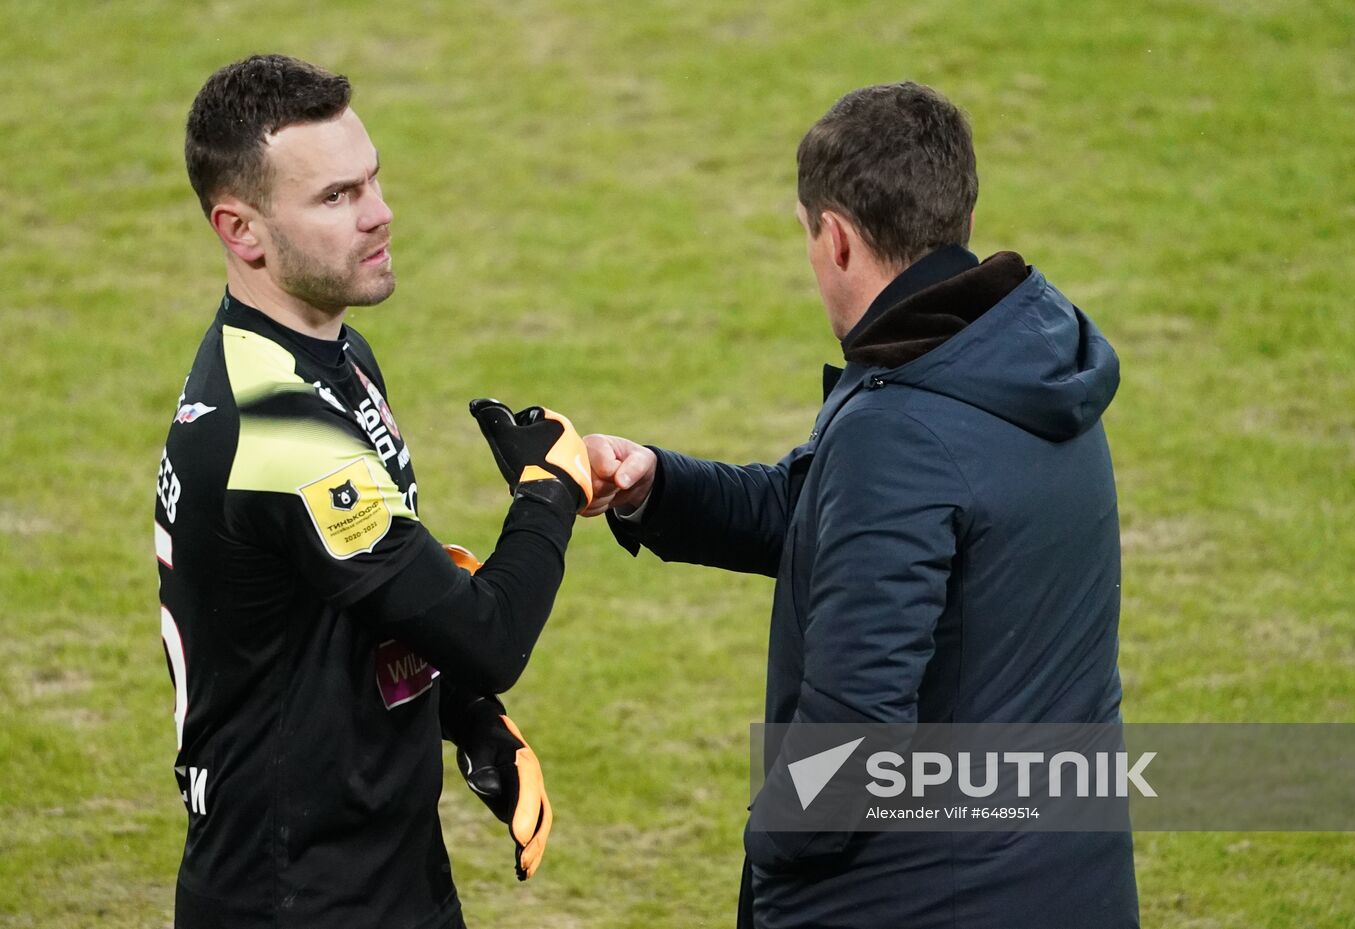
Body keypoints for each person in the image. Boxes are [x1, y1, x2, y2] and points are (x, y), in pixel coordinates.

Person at [585, 82, 1139, 928]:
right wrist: (658, 482)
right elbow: (828, 519)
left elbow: (852, 745)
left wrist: (769, 841)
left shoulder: (903, 426)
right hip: (1066, 881)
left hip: (923, 899)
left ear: (836, 239)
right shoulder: (1020, 359)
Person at [154, 54, 592, 929]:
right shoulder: (280, 434)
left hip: (379, 862)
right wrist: (550, 491)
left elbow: (359, 604)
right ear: (241, 231)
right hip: (299, 895)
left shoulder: (334, 358)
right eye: (335, 197)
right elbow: (487, 635)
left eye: (373, 181)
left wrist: (465, 715)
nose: (380, 214)